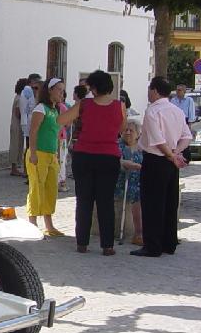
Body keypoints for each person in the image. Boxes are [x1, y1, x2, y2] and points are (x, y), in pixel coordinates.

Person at [57, 70, 125, 256]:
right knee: (106, 201)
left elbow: (61, 119)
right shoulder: (120, 106)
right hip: (109, 156)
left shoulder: (84, 104)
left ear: (93, 88)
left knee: (84, 200)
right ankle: (107, 245)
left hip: (84, 155)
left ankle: (82, 242)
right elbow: (121, 128)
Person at [131, 77, 192, 257]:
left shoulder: (153, 111)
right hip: (170, 160)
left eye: (150, 89)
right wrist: (175, 153)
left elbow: (157, 140)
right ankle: (169, 242)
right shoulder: (177, 111)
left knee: (152, 203)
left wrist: (170, 154)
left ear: (155, 91)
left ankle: (153, 245)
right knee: (170, 201)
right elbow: (186, 136)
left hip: (156, 159)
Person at [26, 78, 65, 237]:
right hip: (39, 154)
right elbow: (33, 131)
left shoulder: (56, 110)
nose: (62, 94)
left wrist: (56, 153)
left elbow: (55, 134)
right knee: (36, 188)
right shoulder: (40, 109)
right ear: (50, 90)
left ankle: (49, 224)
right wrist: (33, 153)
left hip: (51, 155)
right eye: (59, 90)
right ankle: (32, 223)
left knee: (50, 189)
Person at [116, 120, 144, 246]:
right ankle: (138, 234)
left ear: (138, 134)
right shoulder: (119, 145)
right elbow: (115, 160)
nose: (127, 132)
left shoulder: (143, 147)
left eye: (131, 130)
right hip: (121, 180)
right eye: (125, 130)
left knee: (139, 191)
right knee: (136, 193)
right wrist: (124, 164)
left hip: (138, 180)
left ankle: (142, 233)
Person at [9, 78, 27, 176]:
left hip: (17, 125)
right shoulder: (20, 98)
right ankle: (14, 168)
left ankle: (15, 167)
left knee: (18, 145)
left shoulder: (18, 97)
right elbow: (18, 113)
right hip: (17, 125)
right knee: (16, 146)